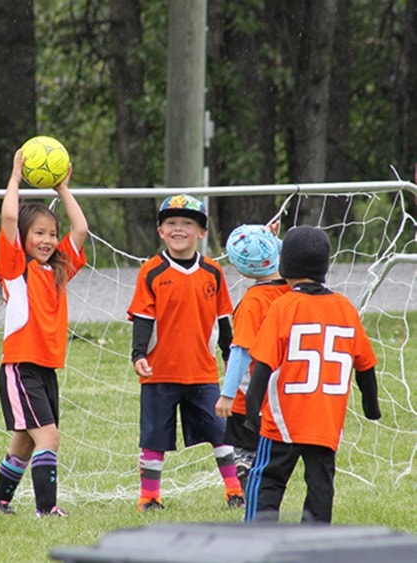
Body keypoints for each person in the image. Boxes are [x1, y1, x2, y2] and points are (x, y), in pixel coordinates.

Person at [244, 225, 381, 524]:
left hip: (284, 420)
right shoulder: (345, 307)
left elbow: (264, 363)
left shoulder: (282, 306)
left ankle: (255, 539)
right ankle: (315, 543)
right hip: (326, 421)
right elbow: (366, 365)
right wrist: (372, 407)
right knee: (320, 485)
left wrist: (250, 410)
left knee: (267, 479)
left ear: (284, 265)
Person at [0, 148, 88, 517]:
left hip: (45, 368)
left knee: (23, 445)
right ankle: (48, 510)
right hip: (21, 366)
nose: (47, 240)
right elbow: (10, 217)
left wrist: (62, 188)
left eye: (51, 234)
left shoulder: (58, 268)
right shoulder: (15, 269)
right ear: (24, 239)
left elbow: (81, 229)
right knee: (49, 438)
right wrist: (15, 177)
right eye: (39, 234)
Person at [127, 194, 243, 512]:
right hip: (160, 372)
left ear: (202, 232)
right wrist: (138, 355)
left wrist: (229, 358)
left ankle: (235, 491)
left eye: (187, 224)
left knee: (221, 433)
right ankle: (149, 497)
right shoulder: (151, 271)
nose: (179, 229)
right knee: (154, 438)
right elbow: (143, 318)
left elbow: (223, 322)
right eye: (171, 223)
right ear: (160, 231)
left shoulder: (213, 273)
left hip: (202, 372)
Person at [215, 223, 290, 495]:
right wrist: (272, 238)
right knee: (271, 450)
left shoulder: (253, 303)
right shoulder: (292, 291)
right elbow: (281, 256)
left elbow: (240, 352)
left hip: (249, 396)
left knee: (245, 452)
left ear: (239, 268)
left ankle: (250, 486)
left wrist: (226, 393)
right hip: (282, 394)